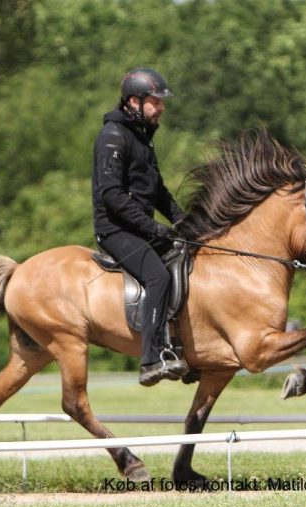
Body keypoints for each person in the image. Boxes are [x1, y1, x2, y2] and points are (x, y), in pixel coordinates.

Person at [92, 67, 188, 386]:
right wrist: (153, 227)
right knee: (157, 275)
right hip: (115, 229)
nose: (161, 108)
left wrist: (182, 220)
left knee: (185, 257)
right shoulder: (113, 136)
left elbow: (157, 189)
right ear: (134, 102)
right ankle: (150, 359)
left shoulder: (142, 137)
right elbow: (112, 196)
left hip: (138, 227)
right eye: (156, 102)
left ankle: (178, 346)